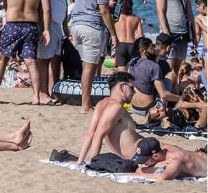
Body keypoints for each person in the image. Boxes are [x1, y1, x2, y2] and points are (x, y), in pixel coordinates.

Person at [76, 73, 207, 181]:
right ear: (122, 87)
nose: (134, 92)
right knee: (180, 156)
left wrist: (80, 161)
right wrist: (96, 162)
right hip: (142, 153)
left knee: (178, 152)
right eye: (132, 88)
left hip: (144, 148)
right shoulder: (116, 107)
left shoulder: (102, 103)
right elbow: (98, 135)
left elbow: (90, 134)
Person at [68, 0, 124, 113]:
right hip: (91, 26)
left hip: (77, 26)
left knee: (87, 66)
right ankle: (85, 105)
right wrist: (114, 35)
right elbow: (104, 11)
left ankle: (85, 101)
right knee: (89, 67)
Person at [39, 0, 76, 86]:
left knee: (56, 59)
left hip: (59, 25)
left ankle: (54, 89)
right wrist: (45, 28)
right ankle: (44, 92)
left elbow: (64, 2)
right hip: (48, 24)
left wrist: (65, 25)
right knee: (45, 60)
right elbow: (43, 5)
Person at [156, 0, 194, 77]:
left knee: (177, 69)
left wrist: (194, 33)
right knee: (168, 68)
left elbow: (189, 12)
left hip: (183, 33)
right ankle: (167, 94)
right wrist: (166, 32)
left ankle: (175, 92)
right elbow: (160, 11)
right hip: (170, 31)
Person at [114, 0, 142, 73]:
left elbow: (111, 32)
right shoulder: (136, 18)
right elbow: (140, 36)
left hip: (121, 45)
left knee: (122, 73)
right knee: (133, 72)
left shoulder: (116, 17)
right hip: (132, 45)